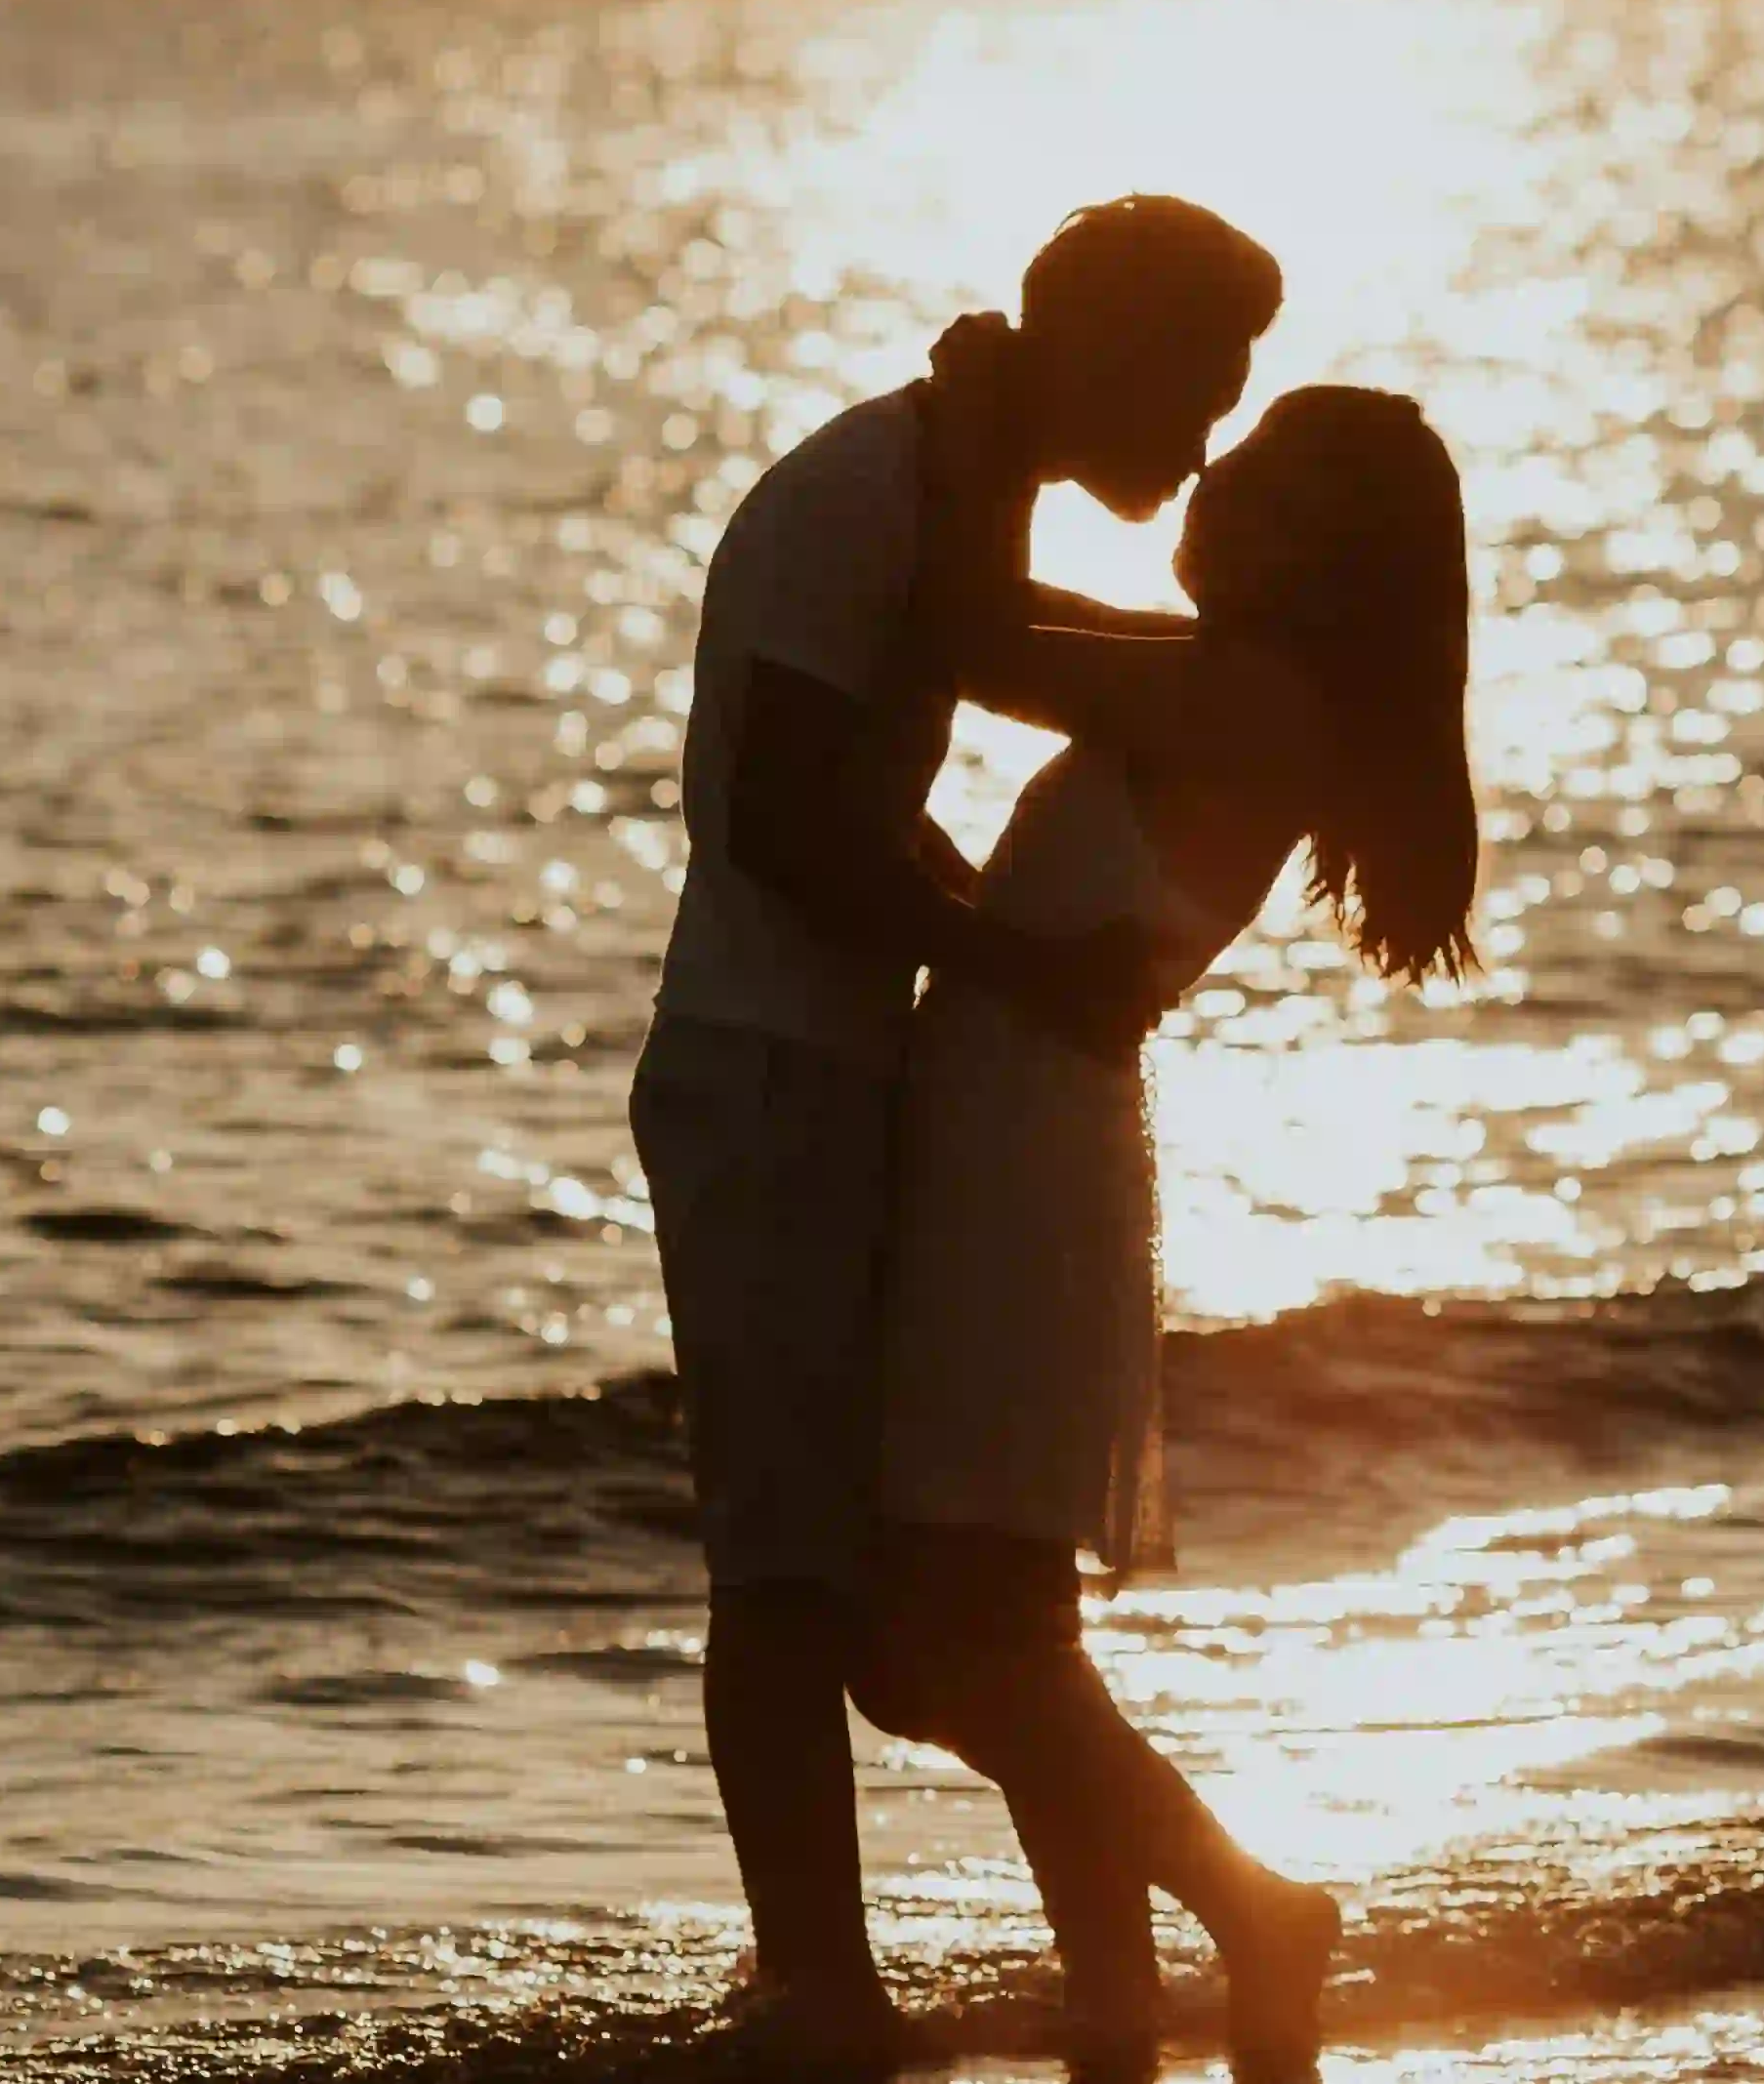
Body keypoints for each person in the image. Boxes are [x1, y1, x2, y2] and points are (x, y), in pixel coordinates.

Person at [627, 197, 1284, 2071]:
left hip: (833, 1069)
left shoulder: (955, 485)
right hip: (760, 1072)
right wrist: (1004, 953)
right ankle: (825, 1991)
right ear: (1103, 349)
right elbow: (776, 828)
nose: (1206, 438)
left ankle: (951, 1987)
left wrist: (975, 955)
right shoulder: (871, 490)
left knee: (863, 1593)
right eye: (1197, 386)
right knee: (780, 1580)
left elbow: (860, 806)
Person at [858, 381, 1484, 2080]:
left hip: (1020, 1154)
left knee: (933, 1651)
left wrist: (986, 442)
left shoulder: (1237, 696)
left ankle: (1253, 1906)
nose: (1206, 476)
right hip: (1017, 1130)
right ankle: (1117, 2000)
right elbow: (1019, 631)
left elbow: (974, 634)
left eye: (1257, 479)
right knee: (1004, 1637)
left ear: (1320, 555)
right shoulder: (1230, 680)